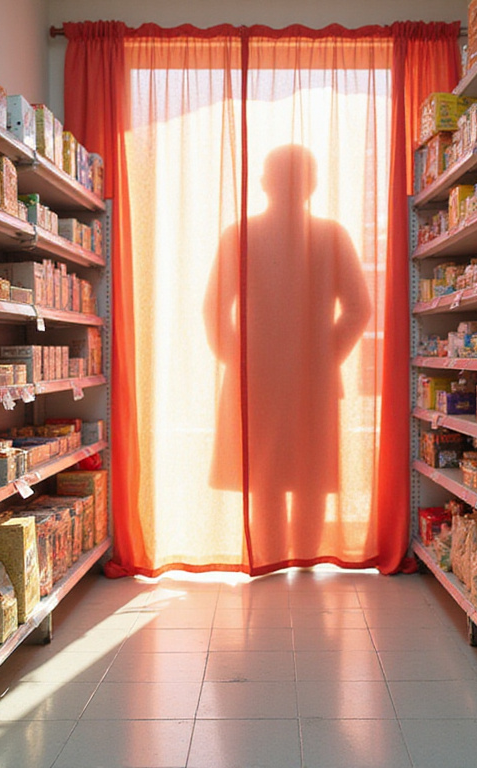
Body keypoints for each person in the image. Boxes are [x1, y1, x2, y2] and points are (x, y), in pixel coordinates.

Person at [203, 144, 372, 568]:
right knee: (309, 477)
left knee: (267, 479)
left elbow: (213, 309)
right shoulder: (330, 235)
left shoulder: (240, 234)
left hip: (256, 375)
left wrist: (238, 358)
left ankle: (271, 561)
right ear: (312, 185)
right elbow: (359, 308)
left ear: (263, 182)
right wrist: (322, 355)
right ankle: (305, 561)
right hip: (310, 377)